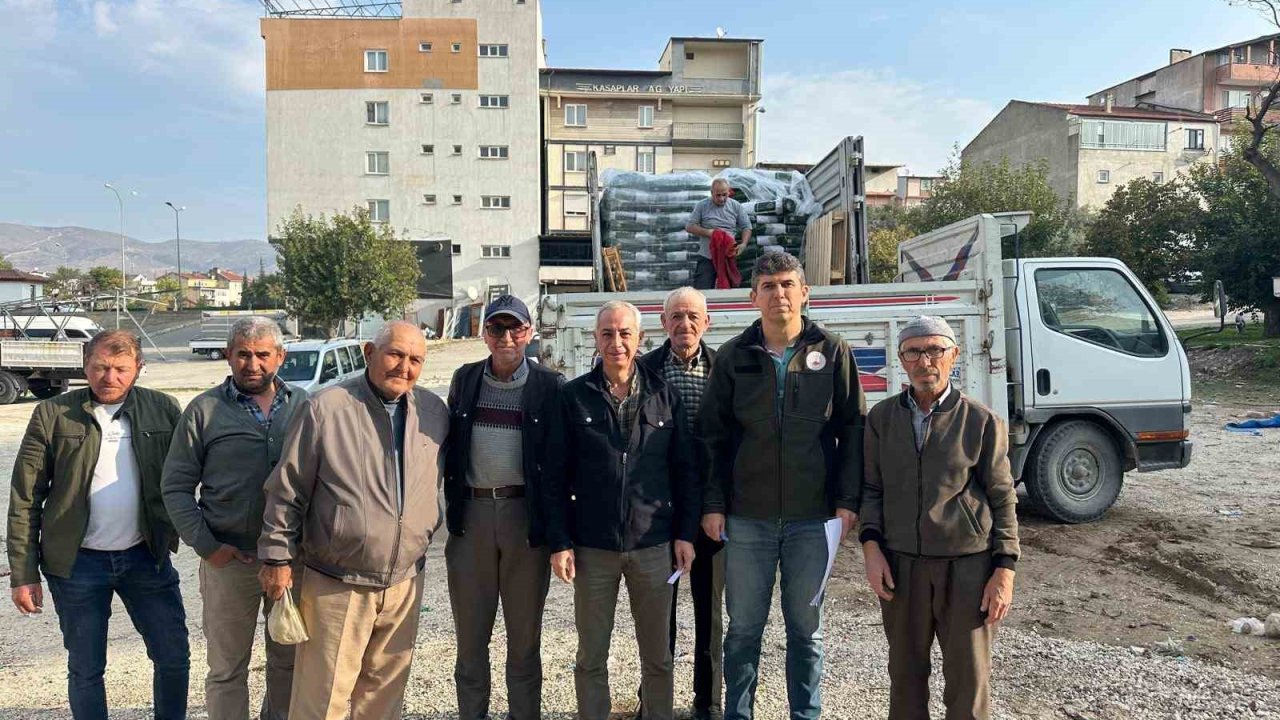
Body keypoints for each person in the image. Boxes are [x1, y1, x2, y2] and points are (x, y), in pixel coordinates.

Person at [700, 252, 866, 720]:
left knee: (805, 632)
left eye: (787, 284)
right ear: (753, 296)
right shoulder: (734, 356)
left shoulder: (833, 352)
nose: (779, 294)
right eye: (768, 286)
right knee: (743, 631)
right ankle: (739, 714)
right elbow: (711, 437)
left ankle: (805, 715)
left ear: (805, 292)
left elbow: (853, 429)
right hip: (746, 519)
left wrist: (847, 502)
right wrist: (713, 504)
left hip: (812, 521)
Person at [258, 320, 449, 720]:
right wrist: (276, 558)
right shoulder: (327, 408)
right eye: (395, 354)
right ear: (368, 353)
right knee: (321, 700)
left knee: (383, 698)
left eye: (415, 359)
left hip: (403, 582)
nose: (404, 367)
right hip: (337, 582)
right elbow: (287, 489)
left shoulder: (432, 412)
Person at [8, 330, 188, 720]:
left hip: (147, 557)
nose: (110, 377)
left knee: (173, 657)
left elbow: (187, 478)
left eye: (121, 369)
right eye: (100, 367)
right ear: (85, 366)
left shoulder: (164, 409)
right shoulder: (53, 414)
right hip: (77, 565)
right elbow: (25, 497)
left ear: (138, 369)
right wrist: (23, 574)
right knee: (87, 668)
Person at [544, 300, 700, 720]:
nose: (617, 343)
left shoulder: (663, 397)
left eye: (625, 334)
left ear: (640, 338)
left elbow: (685, 471)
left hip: (654, 545)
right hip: (593, 547)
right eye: (608, 334)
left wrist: (685, 534)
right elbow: (554, 477)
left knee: (659, 657)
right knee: (591, 655)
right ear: (596, 339)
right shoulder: (573, 398)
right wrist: (559, 541)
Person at [859, 316, 1019, 720]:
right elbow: (872, 490)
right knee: (906, 681)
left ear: (954, 356)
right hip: (901, 567)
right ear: (901, 359)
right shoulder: (881, 419)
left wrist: (1004, 570)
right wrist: (871, 549)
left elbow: (1003, 499)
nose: (924, 360)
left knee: (968, 686)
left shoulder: (981, 422)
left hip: (967, 569)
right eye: (914, 351)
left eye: (935, 350)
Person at [162, 316, 306, 720]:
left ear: (281, 356)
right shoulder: (203, 411)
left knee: (289, 662)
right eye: (243, 354)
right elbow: (174, 487)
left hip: (291, 561)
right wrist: (208, 547)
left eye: (263, 354)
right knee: (227, 669)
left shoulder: (304, 406)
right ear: (228, 355)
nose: (252, 364)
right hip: (230, 561)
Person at [443, 295, 563, 720]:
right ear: (485, 334)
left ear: (529, 333)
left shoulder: (550, 386)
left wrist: (560, 534)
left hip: (523, 520)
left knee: (524, 639)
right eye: (497, 328)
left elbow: (561, 463)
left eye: (515, 328)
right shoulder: (465, 378)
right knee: (471, 640)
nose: (506, 337)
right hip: (472, 518)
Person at [636, 287, 724, 720]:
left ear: (707, 322)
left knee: (709, 613)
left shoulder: (724, 369)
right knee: (658, 614)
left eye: (693, 316)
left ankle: (707, 703)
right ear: (662, 322)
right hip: (658, 511)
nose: (684, 324)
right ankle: (654, 702)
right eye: (675, 316)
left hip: (710, 510)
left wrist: (719, 503)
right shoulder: (644, 369)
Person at [686, 179, 752, 290]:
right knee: (703, 290)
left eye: (724, 195)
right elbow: (690, 226)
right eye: (718, 195)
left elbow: (747, 227)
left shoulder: (736, 206)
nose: (721, 199)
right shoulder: (702, 206)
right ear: (711, 193)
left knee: (729, 290)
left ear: (729, 192)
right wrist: (709, 233)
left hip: (728, 255)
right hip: (707, 256)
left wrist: (744, 244)